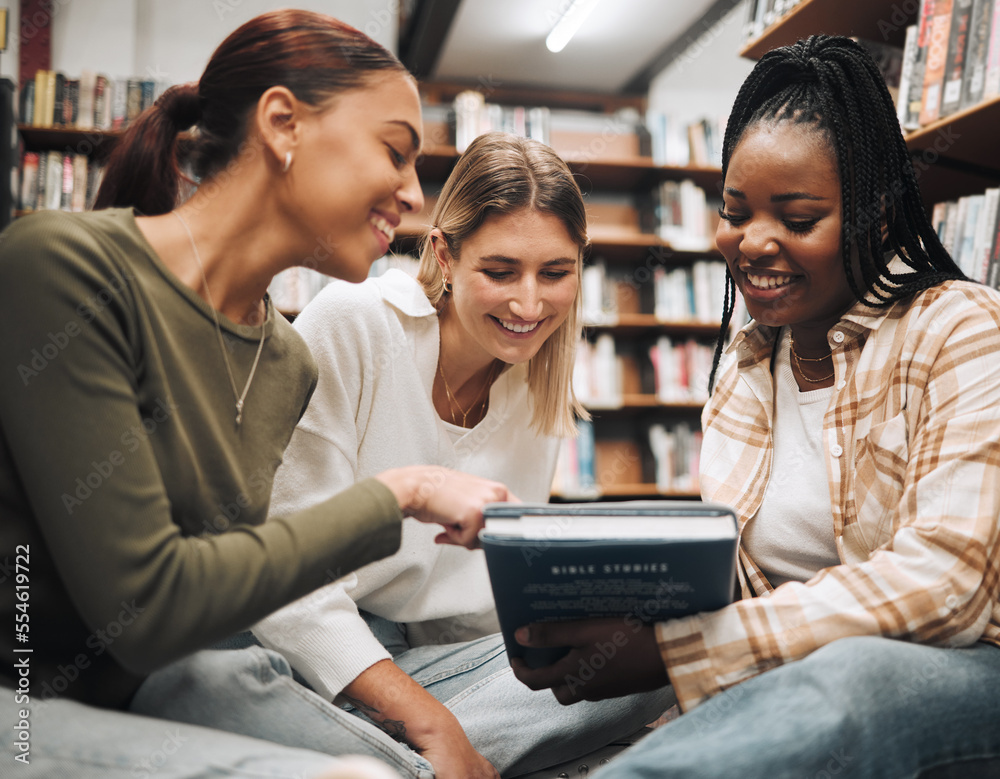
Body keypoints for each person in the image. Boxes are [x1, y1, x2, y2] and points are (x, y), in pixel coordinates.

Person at [0, 10, 518, 778]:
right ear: (283, 124)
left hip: (165, 690)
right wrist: (401, 494)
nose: (413, 193)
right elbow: (148, 611)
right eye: (395, 151)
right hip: (22, 707)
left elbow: (221, 592)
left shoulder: (283, 361)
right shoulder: (60, 267)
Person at [509, 34, 1000, 778]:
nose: (753, 244)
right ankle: (407, 749)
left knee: (852, 678)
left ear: (874, 215)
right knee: (582, 663)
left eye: (798, 219)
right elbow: (735, 582)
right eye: (735, 212)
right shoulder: (745, 362)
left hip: (953, 671)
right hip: (790, 665)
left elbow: (945, 586)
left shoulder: (960, 329)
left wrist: (680, 652)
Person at [157, 131, 671, 779]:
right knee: (208, 682)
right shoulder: (357, 324)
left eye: (556, 273)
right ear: (444, 255)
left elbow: (475, 613)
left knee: (658, 651)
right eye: (500, 270)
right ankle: (425, 757)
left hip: (419, 666)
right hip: (287, 639)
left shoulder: (538, 388)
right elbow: (286, 587)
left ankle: (377, 762)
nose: (530, 304)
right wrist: (433, 722)